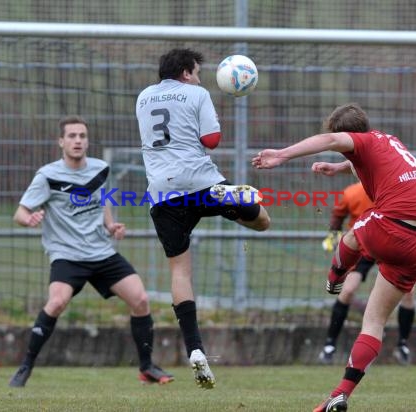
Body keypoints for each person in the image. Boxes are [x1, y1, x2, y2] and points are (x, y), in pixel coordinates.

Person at [252, 103, 416, 411]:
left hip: (395, 227)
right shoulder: (389, 141)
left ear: (347, 135)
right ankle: (341, 394)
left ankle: (334, 279)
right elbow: (367, 161)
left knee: (351, 236)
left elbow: (330, 142)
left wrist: (282, 154)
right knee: (374, 320)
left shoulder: (359, 140)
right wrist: (340, 168)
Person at [135, 48, 271, 389]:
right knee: (263, 220)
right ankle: (233, 200)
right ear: (185, 73)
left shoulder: (143, 97)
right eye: (196, 72)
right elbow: (210, 140)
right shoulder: (196, 93)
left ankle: (195, 349)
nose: (198, 78)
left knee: (180, 270)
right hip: (201, 183)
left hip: (162, 193)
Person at [9, 115, 173, 387]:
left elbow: (103, 199)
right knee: (57, 302)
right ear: (61, 141)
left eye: (82, 136)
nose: (77, 141)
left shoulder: (100, 169)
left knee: (141, 300)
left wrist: (110, 226)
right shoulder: (47, 176)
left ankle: (146, 368)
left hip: (101, 252)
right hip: (67, 255)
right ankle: (25, 366)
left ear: (87, 141)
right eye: (72, 136)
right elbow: (20, 212)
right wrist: (28, 219)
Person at [319, 181, 416, 366]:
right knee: (347, 290)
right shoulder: (351, 193)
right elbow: (337, 217)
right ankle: (329, 345)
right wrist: (334, 237)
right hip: (363, 247)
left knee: (409, 293)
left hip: (391, 245)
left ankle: (402, 345)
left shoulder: (395, 188)